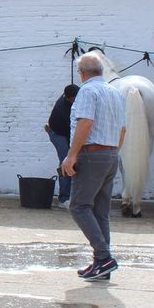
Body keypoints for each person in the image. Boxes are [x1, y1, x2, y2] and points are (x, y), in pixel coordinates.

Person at [60, 52, 127, 281]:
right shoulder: (115, 92)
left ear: (82, 73)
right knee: (100, 211)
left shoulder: (87, 91)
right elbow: (123, 129)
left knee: (78, 206)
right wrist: (112, 152)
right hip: (110, 154)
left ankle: (104, 256)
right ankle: (101, 264)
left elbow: (85, 123)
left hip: (92, 154)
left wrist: (71, 155)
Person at [43, 84, 80, 208]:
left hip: (64, 131)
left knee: (71, 160)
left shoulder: (77, 97)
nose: (76, 100)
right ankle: (64, 199)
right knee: (66, 161)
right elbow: (71, 132)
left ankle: (71, 195)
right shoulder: (64, 109)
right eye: (74, 99)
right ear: (68, 98)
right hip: (58, 133)